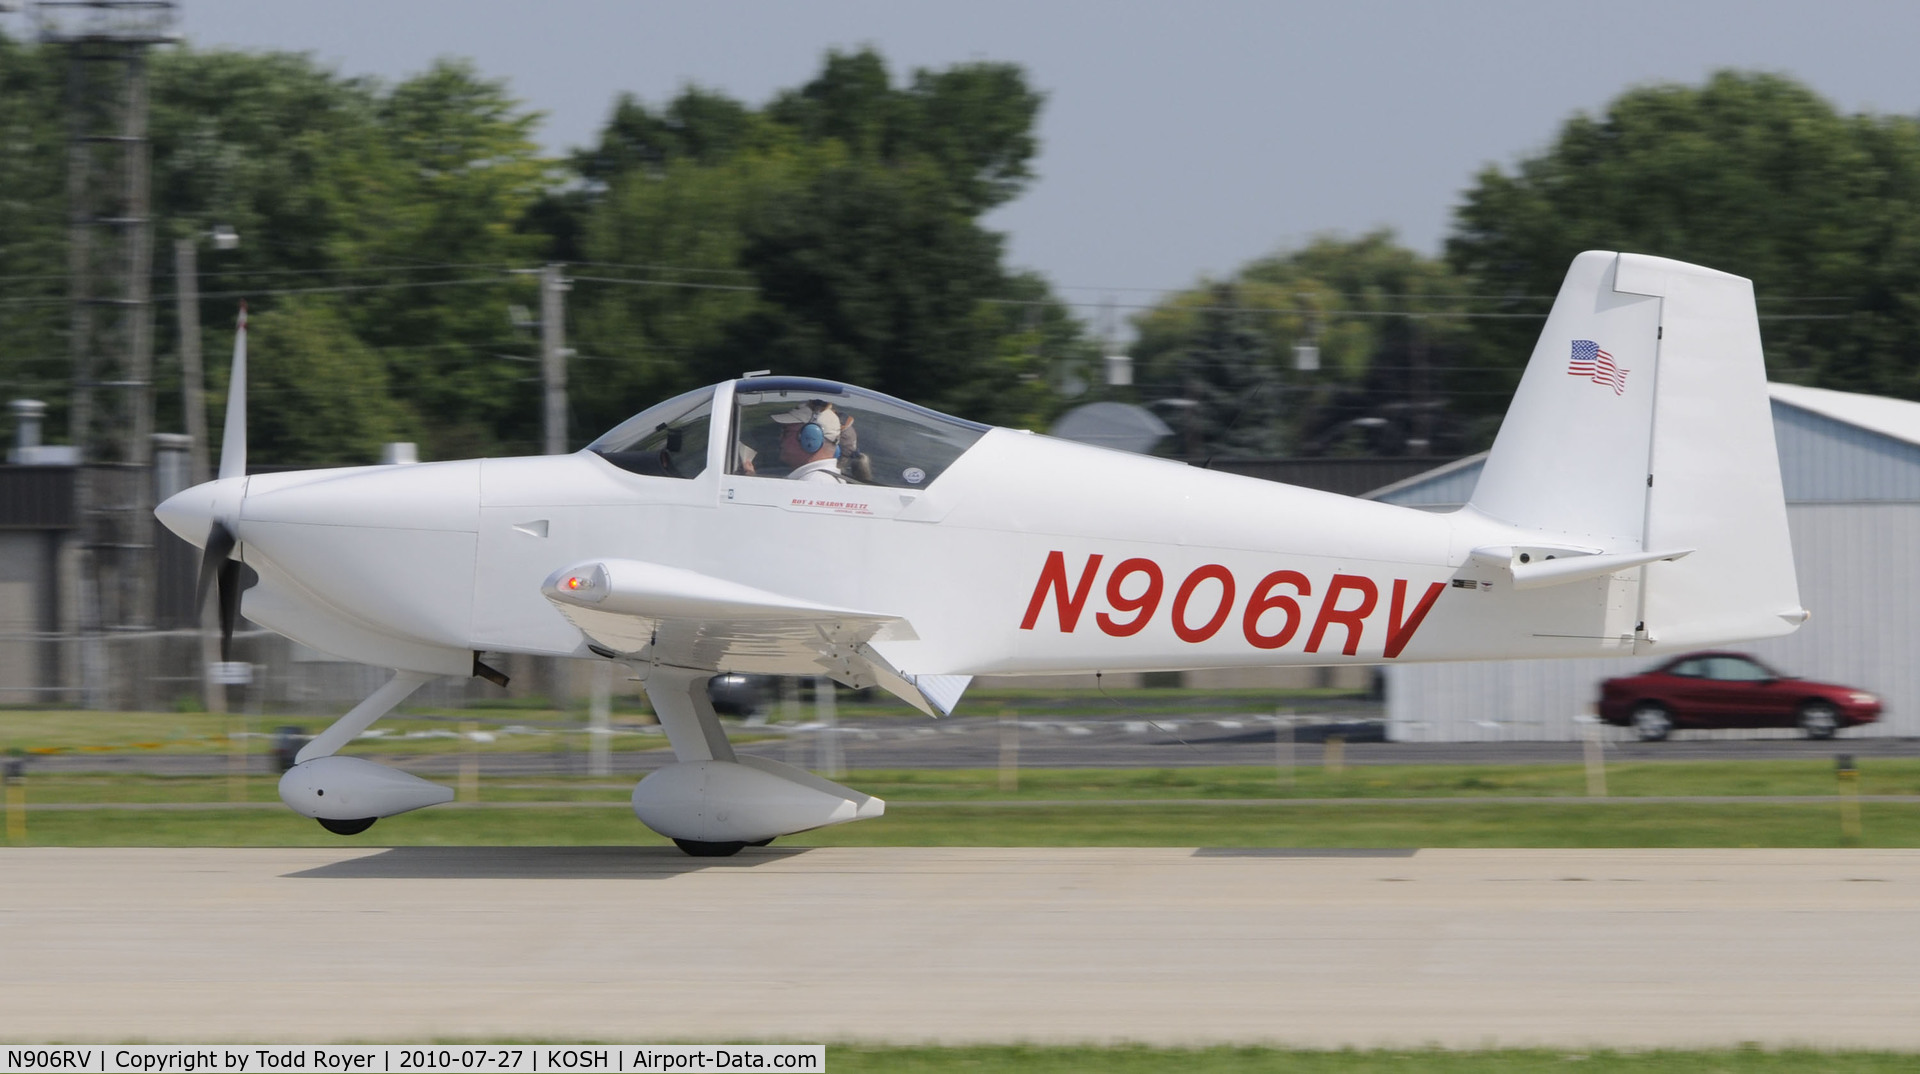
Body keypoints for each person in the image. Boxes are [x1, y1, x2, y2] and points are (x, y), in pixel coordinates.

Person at [771, 400, 847, 483]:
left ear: (811, 438)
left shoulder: (814, 482)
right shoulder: (817, 479)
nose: (780, 438)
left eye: (787, 432)